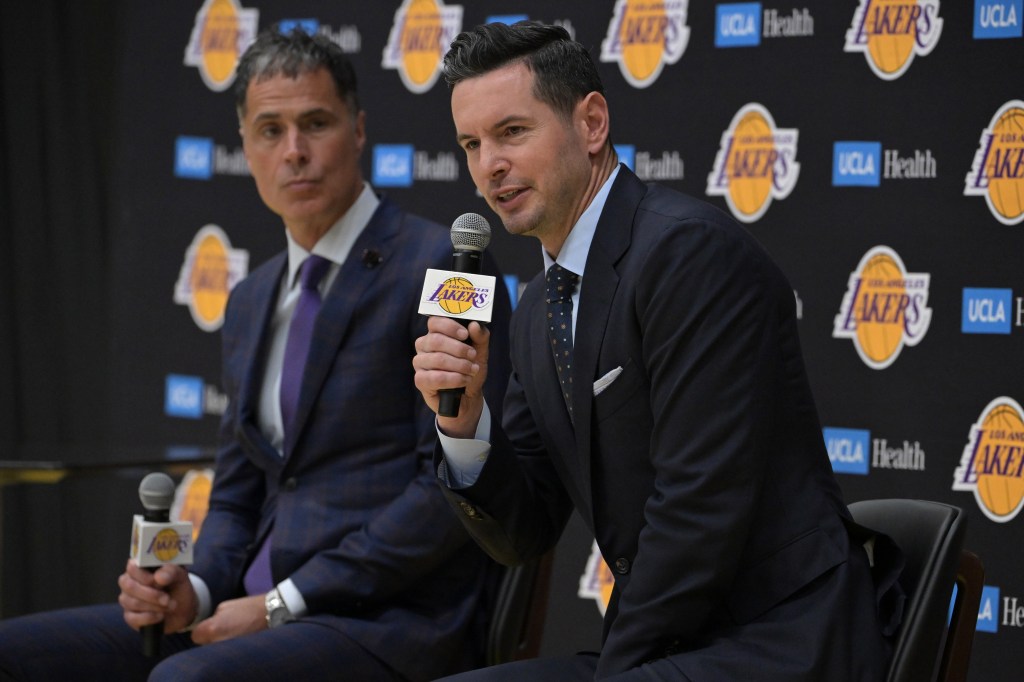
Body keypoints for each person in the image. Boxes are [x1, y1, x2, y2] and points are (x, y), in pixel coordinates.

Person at [0, 27, 510, 682]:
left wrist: (278, 604)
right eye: (270, 130)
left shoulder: (446, 266)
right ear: (244, 146)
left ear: (357, 131)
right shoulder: (248, 298)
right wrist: (199, 591)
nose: (294, 151)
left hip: (383, 622)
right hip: (245, 612)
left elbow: (449, 489)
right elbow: (238, 496)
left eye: (315, 123)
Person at [412, 21, 903, 681]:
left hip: (778, 644)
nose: (488, 165)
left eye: (512, 132)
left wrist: (614, 670)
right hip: (669, 646)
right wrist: (464, 422)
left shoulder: (689, 254)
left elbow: (700, 509)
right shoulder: (538, 309)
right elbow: (523, 532)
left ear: (591, 124)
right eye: (471, 144)